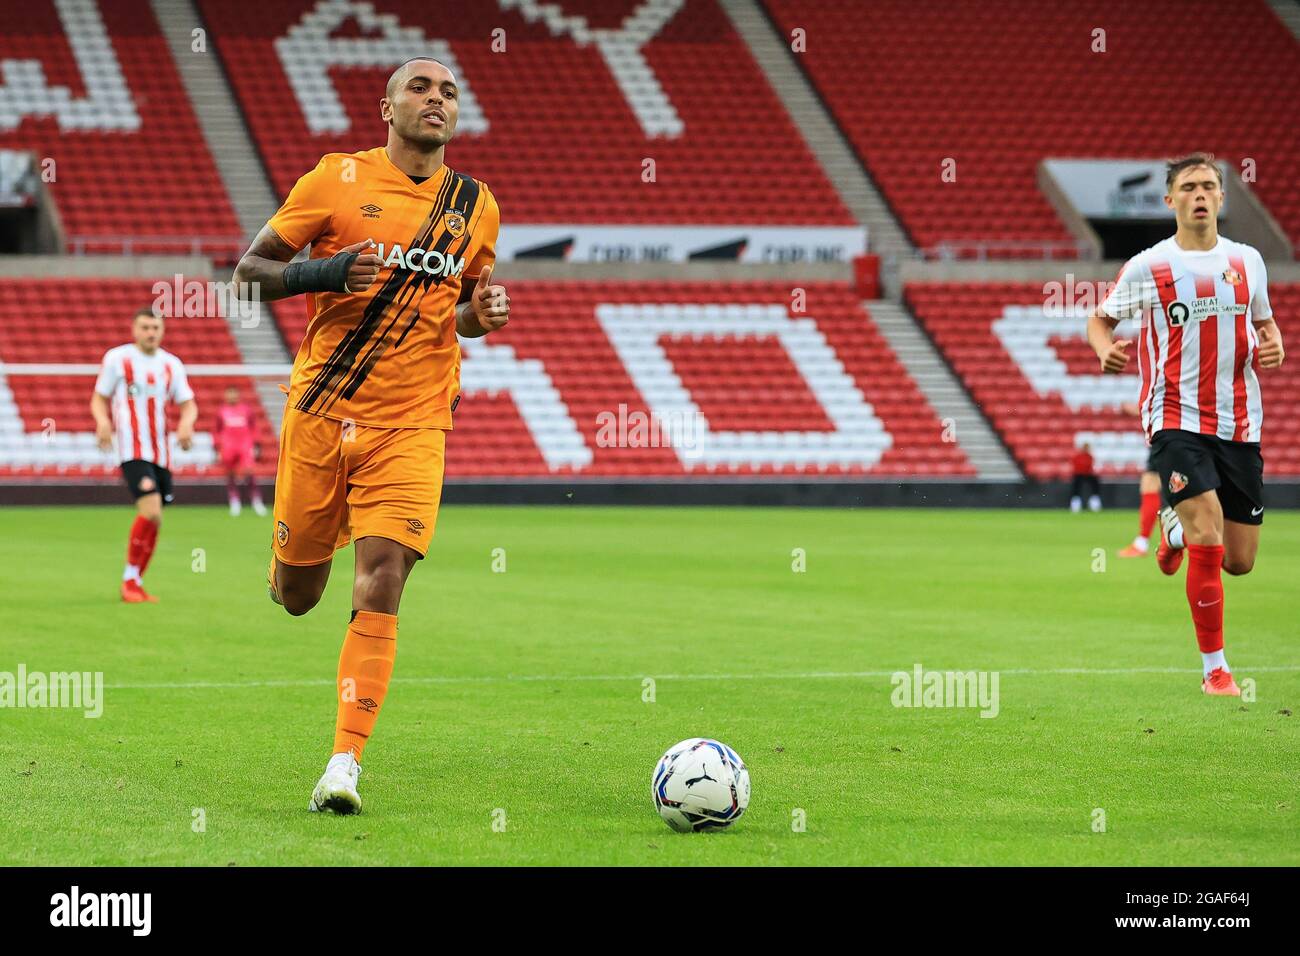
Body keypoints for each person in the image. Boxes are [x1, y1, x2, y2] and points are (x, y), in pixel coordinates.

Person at [233, 56, 509, 812]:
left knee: (383, 573)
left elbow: (454, 310)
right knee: (299, 594)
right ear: (384, 107)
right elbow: (246, 272)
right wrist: (322, 276)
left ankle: (343, 766)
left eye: (449, 91)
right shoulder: (333, 179)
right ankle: (287, 563)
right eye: (420, 88)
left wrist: (476, 324)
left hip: (415, 420)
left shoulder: (475, 205)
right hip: (324, 410)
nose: (437, 99)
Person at [1087, 153, 1284, 697]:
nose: (1200, 194)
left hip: (1239, 422)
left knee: (1240, 561)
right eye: (1189, 186)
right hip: (1173, 417)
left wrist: (1276, 346)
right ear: (1170, 200)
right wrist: (1105, 349)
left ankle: (1170, 531)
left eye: (1209, 186)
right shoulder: (1149, 265)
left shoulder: (1248, 261)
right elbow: (1100, 318)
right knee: (1208, 533)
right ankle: (1214, 669)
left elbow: (1266, 326)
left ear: (1222, 198)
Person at [90, 308, 197, 603]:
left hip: (161, 454)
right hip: (132, 450)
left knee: (157, 518)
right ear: (135, 330)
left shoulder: (171, 364)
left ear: (162, 331)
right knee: (150, 511)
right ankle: (129, 581)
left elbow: (188, 404)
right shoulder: (117, 359)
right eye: (145, 327)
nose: (151, 332)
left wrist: (186, 425)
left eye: (156, 328)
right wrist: (102, 422)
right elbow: (99, 398)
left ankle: (136, 580)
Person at [214, 385, 266, 517]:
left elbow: (254, 427)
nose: (231, 396)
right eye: (229, 394)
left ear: (238, 395)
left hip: (245, 445)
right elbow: (217, 430)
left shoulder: (246, 410)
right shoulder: (221, 411)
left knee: (249, 472)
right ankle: (234, 501)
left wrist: (256, 445)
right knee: (230, 474)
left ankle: (256, 501)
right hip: (228, 446)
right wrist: (218, 448)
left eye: (233, 394)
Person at [1069, 442, 1101, 512]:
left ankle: (1094, 501)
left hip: (1087, 474)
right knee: (1076, 487)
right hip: (1079, 474)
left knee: (1095, 483)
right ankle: (1075, 504)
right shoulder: (1078, 456)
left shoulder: (1090, 456)